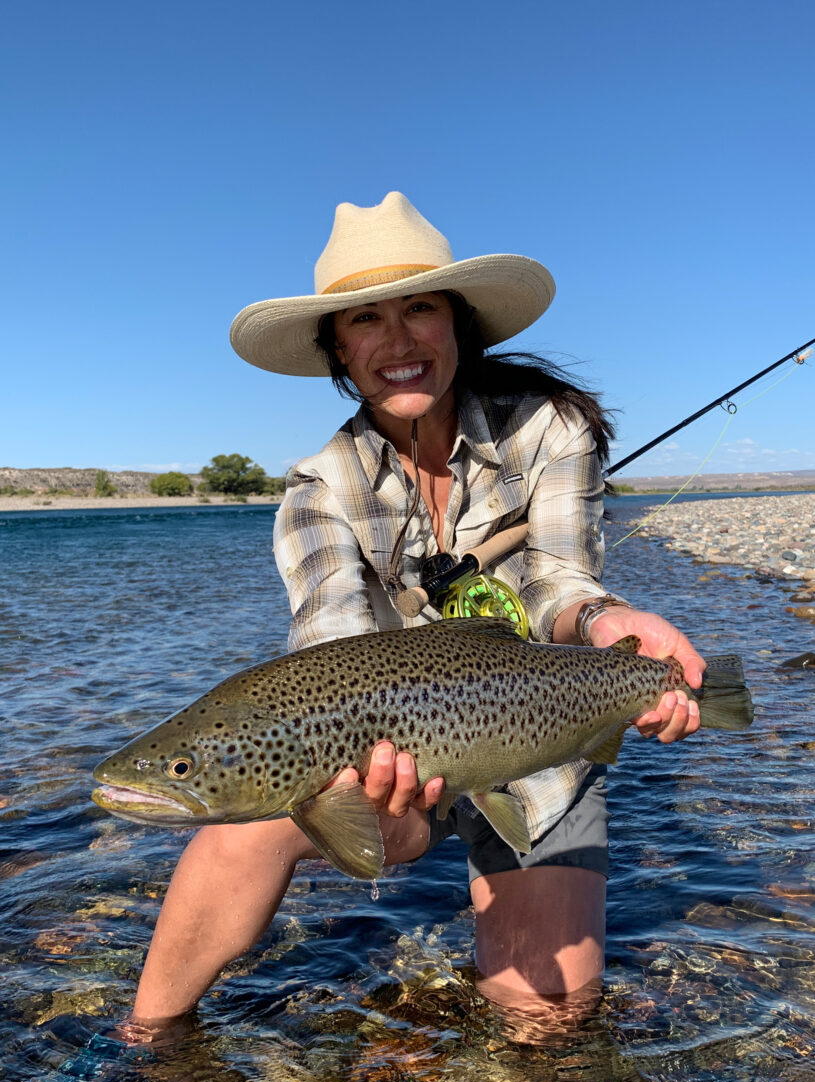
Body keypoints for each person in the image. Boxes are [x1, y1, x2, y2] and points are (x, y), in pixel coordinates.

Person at [128, 192, 704, 1032]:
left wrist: (606, 628)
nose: (396, 341)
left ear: (458, 324)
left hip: (536, 725)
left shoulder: (549, 431)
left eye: (419, 308)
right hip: (395, 744)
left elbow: (557, 584)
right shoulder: (317, 486)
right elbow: (331, 648)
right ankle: (141, 1045)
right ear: (337, 351)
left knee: (547, 1015)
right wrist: (374, 809)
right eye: (364, 320)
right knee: (235, 830)